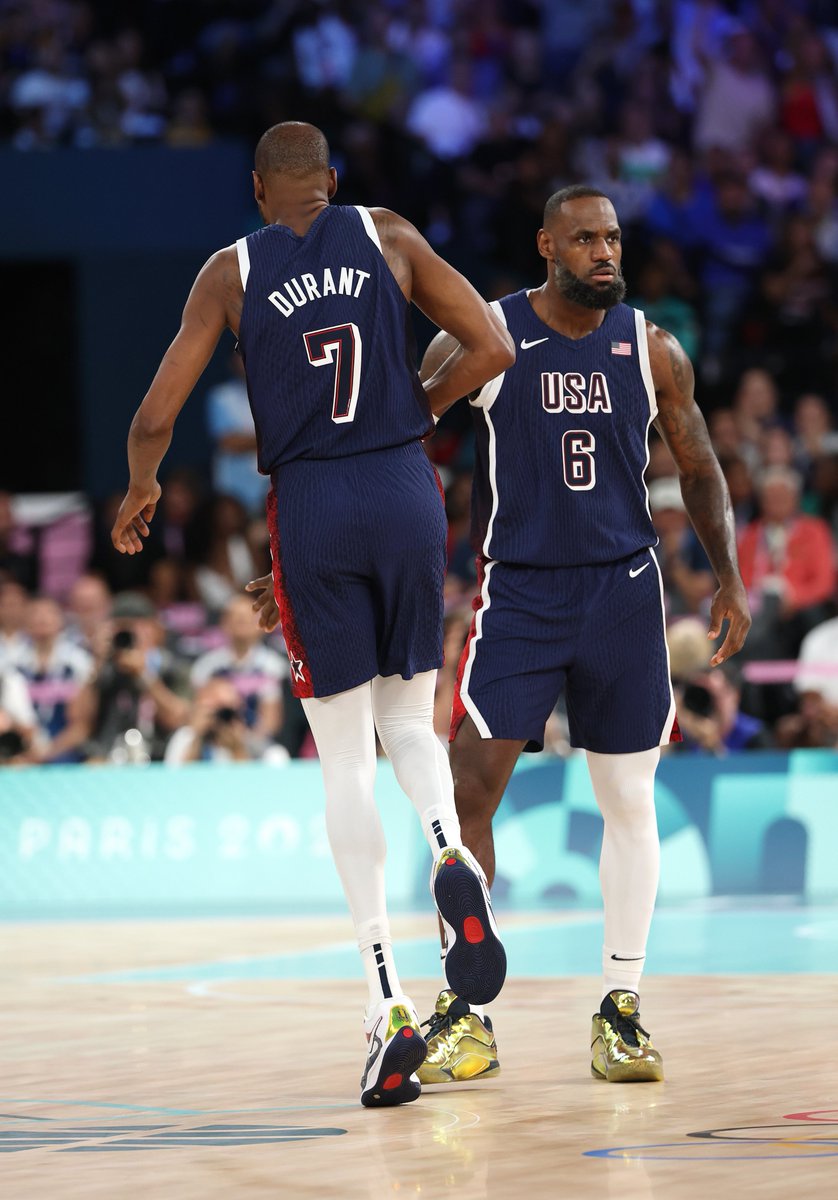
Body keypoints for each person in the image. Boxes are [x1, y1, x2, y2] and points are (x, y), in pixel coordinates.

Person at [110, 121, 514, 1107]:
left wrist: (141, 486)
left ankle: (386, 1008)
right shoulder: (388, 233)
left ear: (258, 190)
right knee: (409, 719)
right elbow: (493, 343)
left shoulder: (231, 270)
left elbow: (157, 413)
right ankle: (449, 849)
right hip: (404, 488)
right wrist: (417, 410)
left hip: (313, 502)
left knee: (343, 759)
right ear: (331, 180)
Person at [413, 185, 751, 1085]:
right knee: (467, 793)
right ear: (547, 247)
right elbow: (403, 431)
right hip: (520, 593)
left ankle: (621, 1007)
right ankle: (466, 1009)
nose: (605, 253)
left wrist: (728, 574)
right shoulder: (486, 334)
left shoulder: (651, 347)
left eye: (613, 239)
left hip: (623, 594)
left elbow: (698, 462)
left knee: (629, 801)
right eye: (585, 240)